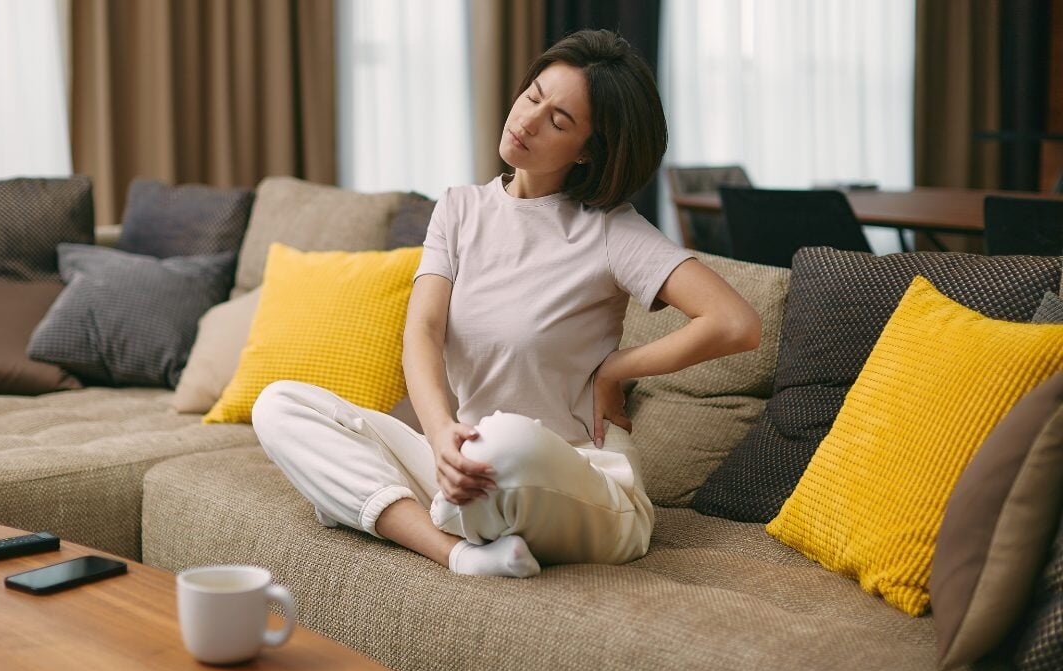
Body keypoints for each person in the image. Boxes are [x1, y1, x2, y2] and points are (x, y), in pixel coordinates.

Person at [252, 29, 761, 578]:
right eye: (533, 95)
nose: (527, 119)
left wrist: (616, 368)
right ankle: (459, 551)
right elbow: (421, 331)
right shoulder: (459, 209)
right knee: (279, 405)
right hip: (468, 461)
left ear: (588, 151)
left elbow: (735, 323)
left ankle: (427, 502)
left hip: (577, 479)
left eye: (558, 121)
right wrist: (441, 435)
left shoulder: (611, 231)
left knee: (505, 439)